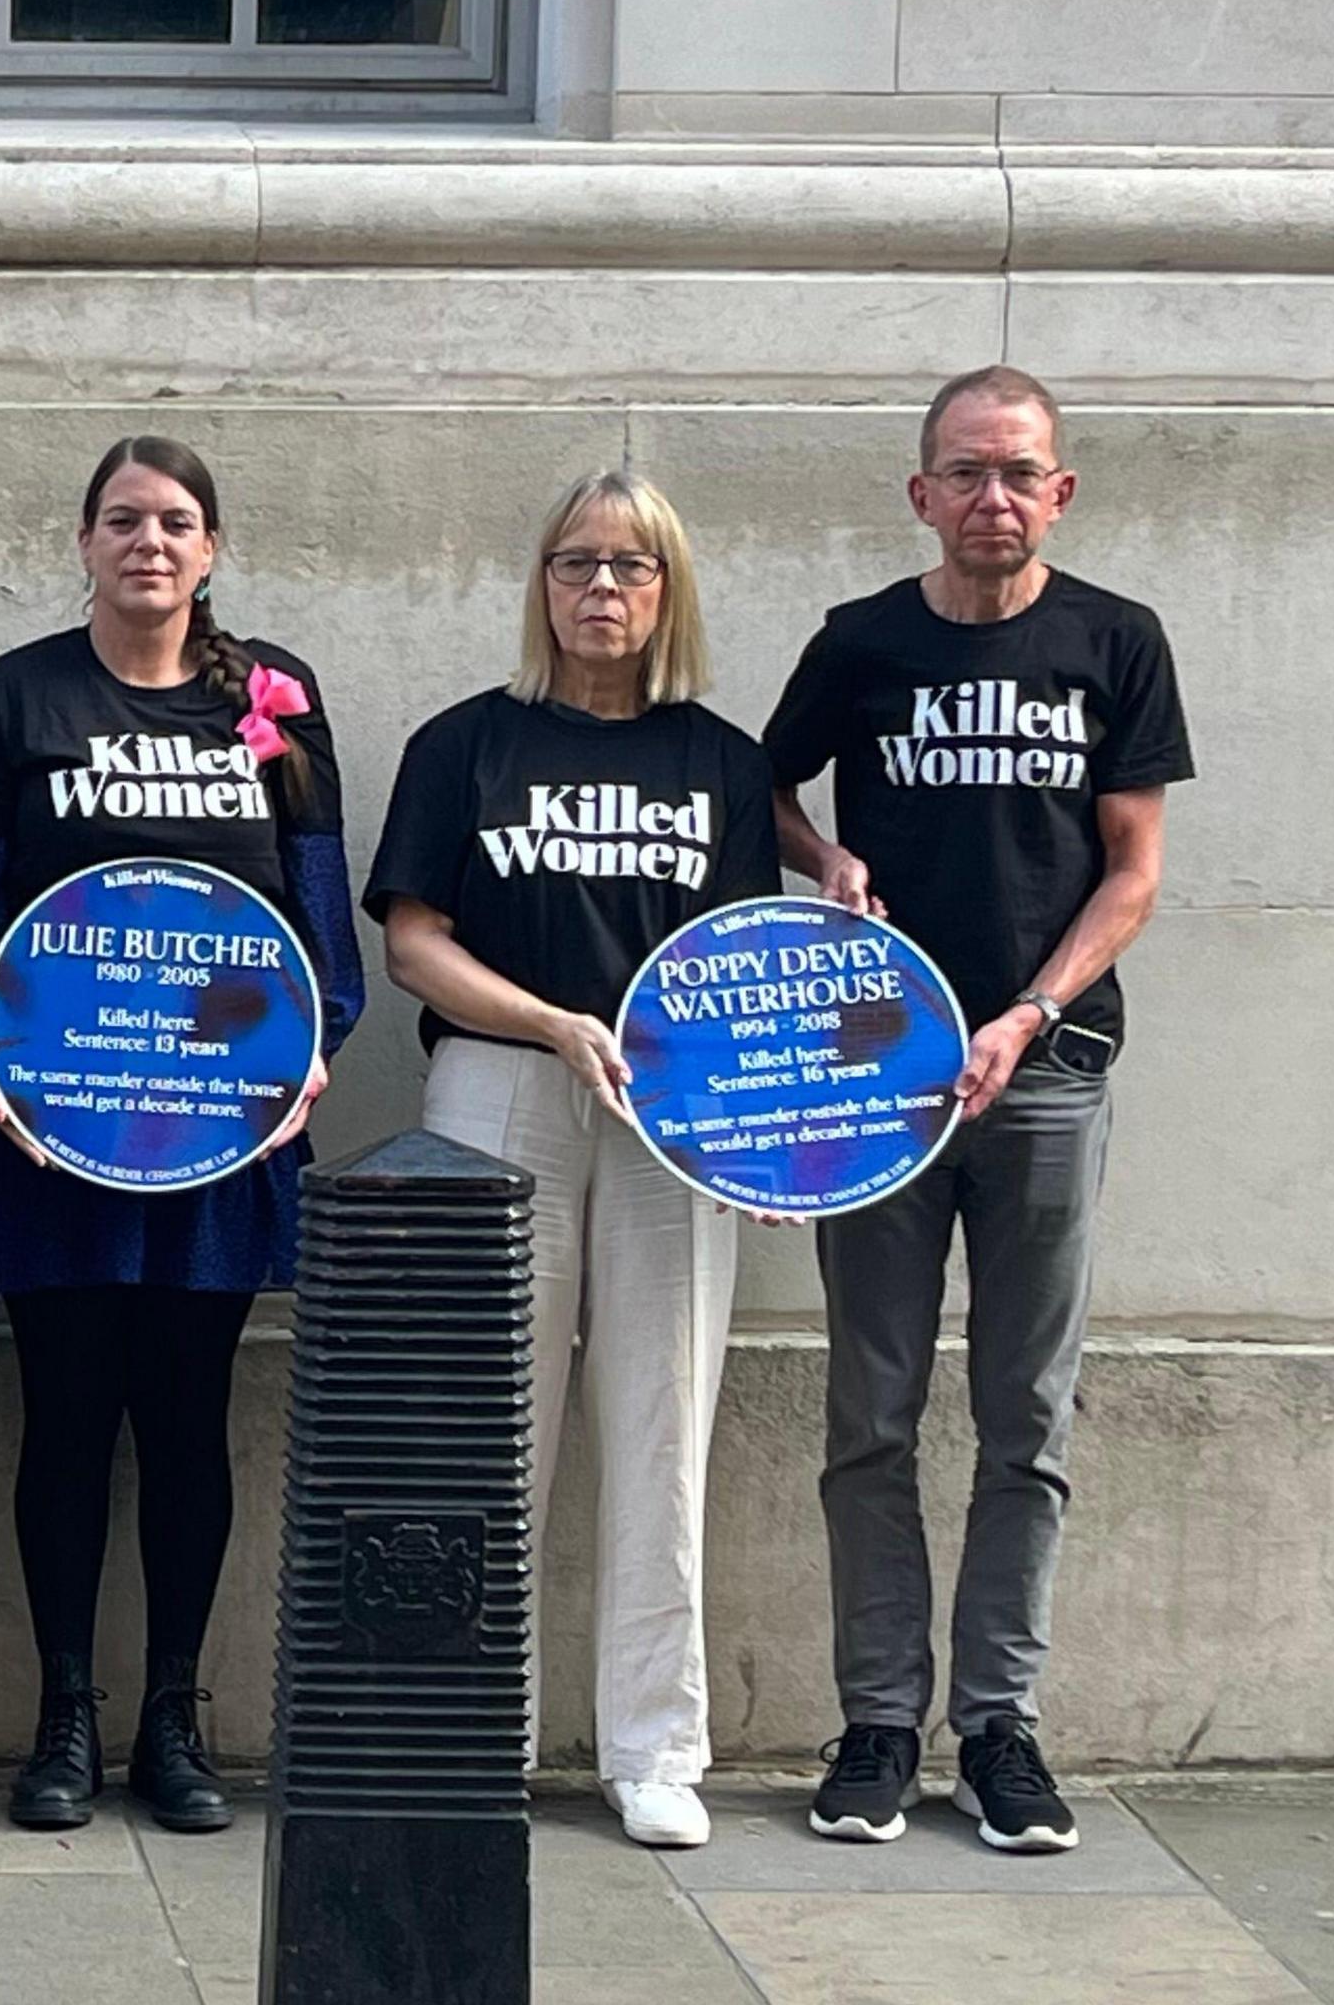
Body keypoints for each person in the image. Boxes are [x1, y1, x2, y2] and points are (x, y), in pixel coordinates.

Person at [767, 366, 1193, 1855]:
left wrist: (1032, 1011)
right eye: (967, 473)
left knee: (1029, 1415)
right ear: (922, 493)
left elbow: (1133, 872)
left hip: (1049, 1075)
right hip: (877, 1075)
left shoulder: (1115, 642)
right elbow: (754, 786)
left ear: (1058, 493)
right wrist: (819, 861)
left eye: (1020, 474)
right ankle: (879, 1723)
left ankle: (999, 1730)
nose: (994, 498)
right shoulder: (860, 644)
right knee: (869, 1414)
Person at [0, 435, 360, 1835]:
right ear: (84, 540)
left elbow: (315, 917)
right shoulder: (16, 699)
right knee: (63, 1421)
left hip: (220, 1142)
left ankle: (175, 1717)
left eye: (175, 523)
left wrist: (311, 1057)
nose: (149, 544)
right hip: (52, 1134)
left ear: (212, 548)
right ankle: (63, 1717)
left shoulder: (275, 703)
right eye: (124, 521)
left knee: (185, 1424)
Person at [362, 473, 778, 1850]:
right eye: (576, 564)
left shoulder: (722, 761)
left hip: (669, 1117)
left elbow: (739, 970)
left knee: (664, 1424)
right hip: (500, 1086)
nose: (603, 590)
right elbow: (413, 940)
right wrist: (547, 1019)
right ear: (540, 583)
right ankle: (474, 1734)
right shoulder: (465, 745)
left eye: (633, 568)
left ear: (669, 591)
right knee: (489, 1427)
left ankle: (656, 1747)